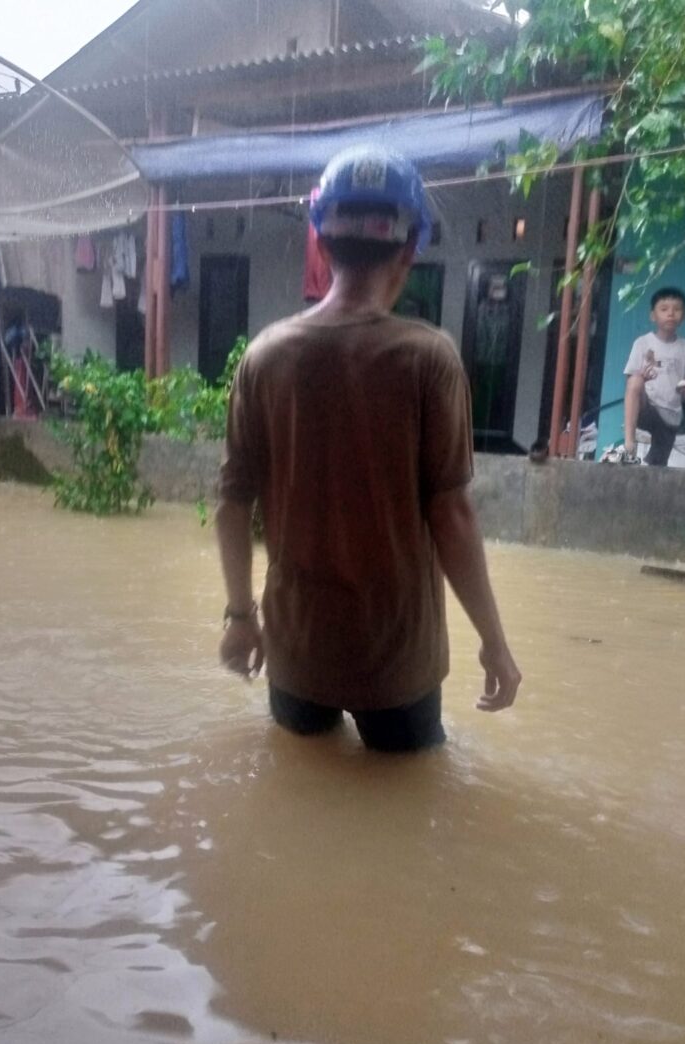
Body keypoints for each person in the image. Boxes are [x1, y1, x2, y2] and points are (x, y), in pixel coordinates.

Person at [215, 146, 521, 752]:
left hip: (297, 651)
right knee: (404, 813)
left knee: (300, 806)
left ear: (322, 246)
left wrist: (240, 617)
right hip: (398, 660)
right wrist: (494, 640)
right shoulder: (428, 358)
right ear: (410, 249)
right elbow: (452, 515)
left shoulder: (265, 357)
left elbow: (231, 503)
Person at [616, 287, 685, 465]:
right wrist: (642, 379)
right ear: (653, 315)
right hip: (648, 407)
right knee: (636, 380)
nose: (670, 314)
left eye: (676, 309)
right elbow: (630, 384)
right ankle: (629, 446)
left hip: (671, 415)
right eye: (664, 309)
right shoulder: (642, 342)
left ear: (684, 316)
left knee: (657, 464)